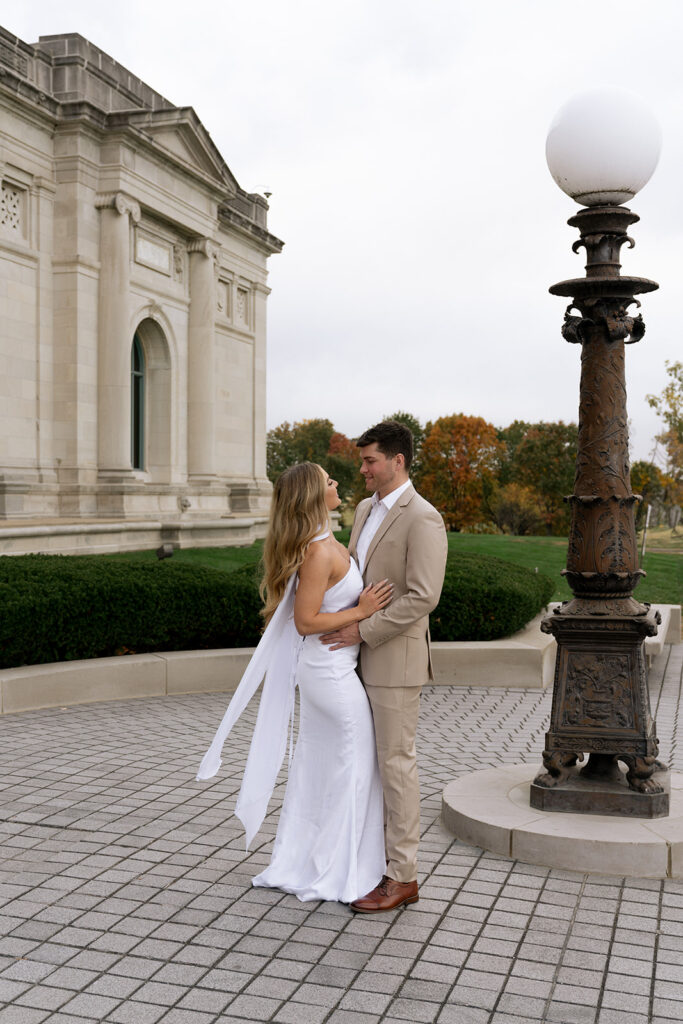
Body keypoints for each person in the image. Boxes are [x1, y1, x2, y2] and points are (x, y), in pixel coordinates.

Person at [196, 461, 392, 904]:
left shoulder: (328, 541)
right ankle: (339, 869)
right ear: (312, 495)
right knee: (353, 763)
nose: (337, 482)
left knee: (330, 765)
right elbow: (305, 622)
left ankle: (322, 859)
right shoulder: (318, 552)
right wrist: (360, 613)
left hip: (335, 668)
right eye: (328, 481)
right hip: (327, 673)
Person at [321, 421, 447, 913]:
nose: (363, 469)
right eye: (362, 461)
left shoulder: (424, 518)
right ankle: (369, 860)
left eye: (370, 460)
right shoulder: (363, 510)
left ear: (397, 461)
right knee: (366, 766)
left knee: (396, 767)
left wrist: (362, 631)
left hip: (395, 662)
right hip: (352, 658)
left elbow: (423, 596)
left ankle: (403, 877)